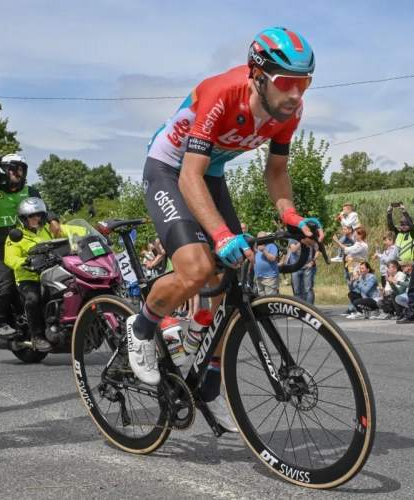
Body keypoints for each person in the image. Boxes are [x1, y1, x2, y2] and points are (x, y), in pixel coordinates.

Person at [130, 27, 322, 433]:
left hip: (209, 173)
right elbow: (189, 176)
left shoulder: (290, 111)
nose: (296, 94)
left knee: (236, 271)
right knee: (199, 269)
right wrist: (220, 236)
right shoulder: (223, 93)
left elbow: (277, 171)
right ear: (258, 74)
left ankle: (203, 361)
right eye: (288, 82)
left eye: (304, 83)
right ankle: (142, 327)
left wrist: (290, 215)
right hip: (170, 168)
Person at [0, 153, 60, 337]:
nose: (18, 172)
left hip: (30, 246)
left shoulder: (30, 191)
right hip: (1, 248)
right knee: (7, 284)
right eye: (13, 168)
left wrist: (53, 219)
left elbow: (44, 208)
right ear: (4, 170)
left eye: (21, 169)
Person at [3, 198, 86, 352]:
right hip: (29, 276)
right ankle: (37, 335)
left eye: (39, 215)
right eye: (32, 216)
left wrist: (93, 234)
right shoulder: (16, 236)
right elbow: (10, 257)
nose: (36, 218)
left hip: (53, 273)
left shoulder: (49, 229)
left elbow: (73, 230)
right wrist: (25, 262)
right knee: (33, 299)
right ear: (23, 218)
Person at [253, 231, 280, 296]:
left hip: (270, 277)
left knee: (270, 299)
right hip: (259, 277)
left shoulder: (271, 246)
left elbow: (273, 259)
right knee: (262, 299)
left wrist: (264, 251)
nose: (262, 240)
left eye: (264, 238)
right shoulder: (256, 247)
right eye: (260, 238)